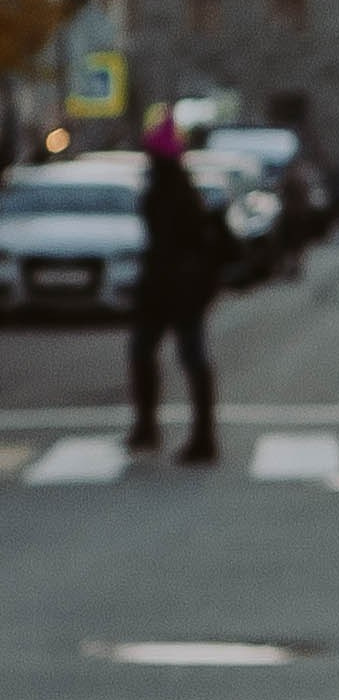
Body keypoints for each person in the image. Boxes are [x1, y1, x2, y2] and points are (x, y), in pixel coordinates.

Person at [127, 117, 231, 465]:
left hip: (171, 289)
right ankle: (187, 433)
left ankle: (169, 431)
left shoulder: (166, 192)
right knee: (178, 356)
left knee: (162, 353)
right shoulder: (180, 189)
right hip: (180, 289)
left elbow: (170, 243)